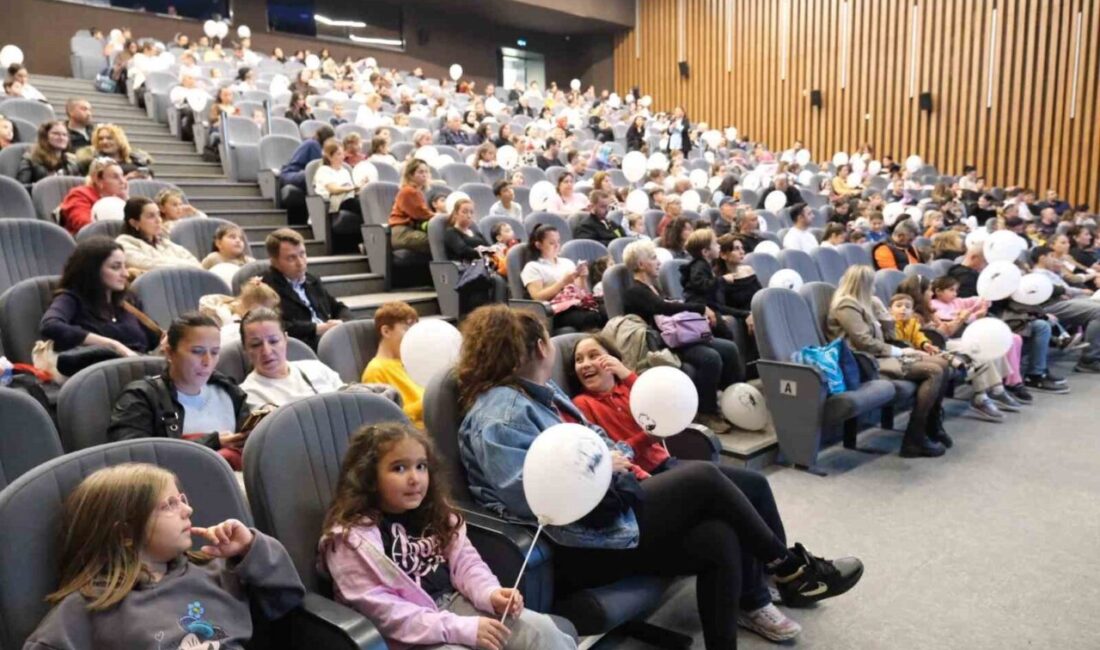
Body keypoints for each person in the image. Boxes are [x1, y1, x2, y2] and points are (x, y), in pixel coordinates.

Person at [457, 306, 862, 650]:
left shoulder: (538, 394)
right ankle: (789, 567)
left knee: (717, 536)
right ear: (539, 348)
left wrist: (606, 460)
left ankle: (770, 593)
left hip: (603, 511)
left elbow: (598, 442)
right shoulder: (501, 415)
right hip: (576, 545)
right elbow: (532, 498)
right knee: (704, 479)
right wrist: (603, 465)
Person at [566, 334, 802, 641]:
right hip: (646, 478)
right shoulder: (581, 405)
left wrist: (628, 375)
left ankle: (772, 573)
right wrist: (646, 443)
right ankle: (755, 601)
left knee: (754, 484)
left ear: (611, 360)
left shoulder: (630, 389)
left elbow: (663, 408)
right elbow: (614, 453)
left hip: (668, 464)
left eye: (593, 355)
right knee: (724, 513)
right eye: (578, 360)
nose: (585, 364)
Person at [320, 422, 577, 650]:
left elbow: (467, 564)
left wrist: (490, 593)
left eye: (421, 467)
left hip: (454, 606)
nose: (415, 479)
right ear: (369, 478)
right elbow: (385, 614)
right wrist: (462, 629)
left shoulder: (438, 515)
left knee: (542, 633)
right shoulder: (350, 541)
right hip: (406, 634)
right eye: (399, 468)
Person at [21, 463, 304, 649]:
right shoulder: (91, 605)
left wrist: (249, 550)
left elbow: (287, 599)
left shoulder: (215, 570)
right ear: (125, 534)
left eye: (182, 499)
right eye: (169, 505)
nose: (187, 510)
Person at [827, 266, 951, 457]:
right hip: (862, 361)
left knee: (942, 364)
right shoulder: (846, 305)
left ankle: (931, 425)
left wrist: (883, 314)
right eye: (872, 284)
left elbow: (889, 335)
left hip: (878, 355)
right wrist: (898, 351)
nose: (875, 288)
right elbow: (863, 342)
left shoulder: (866, 302)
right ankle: (914, 438)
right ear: (863, 284)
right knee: (934, 371)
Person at [622, 239, 742, 432]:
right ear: (641, 264)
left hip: (678, 339)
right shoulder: (635, 292)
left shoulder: (654, 287)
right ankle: (706, 412)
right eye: (653, 258)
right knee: (710, 358)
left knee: (729, 349)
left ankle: (734, 402)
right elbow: (663, 308)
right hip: (662, 345)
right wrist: (700, 308)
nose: (658, 262)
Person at [107, 313, 251, 468]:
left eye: (214, 352)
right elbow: (130, 459)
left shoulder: (229, 390)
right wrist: (212, 442)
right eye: (197, 351)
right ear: (170, 352)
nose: (207, 362)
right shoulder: (141, 397)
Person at [40, 237, 162, 369]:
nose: (126, 274)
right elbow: (50, 325)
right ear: (92, 270)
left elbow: (154, 340)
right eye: (116, 267)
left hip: (139, 370)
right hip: (101, 378)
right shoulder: (70, 299)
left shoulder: (129, 301)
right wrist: (113, 345)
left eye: (124, 266)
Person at [259, 228, 349, 349]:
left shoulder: (312, 279)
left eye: (302, 254)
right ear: (274, 262)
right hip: (302, 346)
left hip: (329, 338)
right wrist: (316, 329)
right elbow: (276, 325)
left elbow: (337, 307)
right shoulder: (266, 288)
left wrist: (342, 321)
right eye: (291, 258)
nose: (300, 262)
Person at [238, 307, 346, 408]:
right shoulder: (248, 395)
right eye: (256, 344)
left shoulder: (316, 368)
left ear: (285, 339)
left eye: (273, 341)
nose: (267, 351)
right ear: (245, 349)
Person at [1028, 245, 1100, 373]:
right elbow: (1057, 290)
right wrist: (1079, 291)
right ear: (1042, 258)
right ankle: (1089, 360)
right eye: (1051, 257)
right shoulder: (1037, 275)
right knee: (1098, 312)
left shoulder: (1051, 272)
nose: (1055, 259)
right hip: (1051, 304)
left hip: (1063, 300)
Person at [521, 225, 605, 332]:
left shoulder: (567, 262)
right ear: (538, 245)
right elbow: (537, 297)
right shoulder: (532, 267)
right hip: (554, 311)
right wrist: (563, 282)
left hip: (575, 304)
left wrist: (583, 277)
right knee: (591, 318)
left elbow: (582, 292)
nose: (557, 246)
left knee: (604, 312)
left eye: (558, 242)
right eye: (551, 243)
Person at [360, 302, 426, 428]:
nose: (413, 337)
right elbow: (385, 420)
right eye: (407, 329)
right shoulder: (375, 370)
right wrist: (427, 404)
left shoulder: (412, 363)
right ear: (386, 331)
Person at [445, 198, 509, 309]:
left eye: (471, 212)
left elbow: (489, 247)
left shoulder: (475, 232)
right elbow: (463, 250)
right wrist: (481, 251)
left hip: (486, 265)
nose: (469, 215)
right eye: (465, 212)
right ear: (455, 214)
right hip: (469, 269)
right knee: (497, 280)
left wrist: (485, 250)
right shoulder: (451, 232)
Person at [116, 196, 202, 277]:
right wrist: (187, 266)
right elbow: (148, 264)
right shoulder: (123, 244)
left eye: (158, 215)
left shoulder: (165, 243)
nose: (158, 220)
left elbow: (195, 263)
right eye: (151, 216)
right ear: (134, 223)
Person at [58, 158, 129, 235]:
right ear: (98, 180)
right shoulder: (79, 195)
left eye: (123, 176)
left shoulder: (119, 199)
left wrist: (126, 201)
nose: (123, 181)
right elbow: (86, 226)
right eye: (115, 177)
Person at [387, 157, 435, 255]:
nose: (424, 175)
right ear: (410, 175)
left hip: (410, 231)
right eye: (420, 172)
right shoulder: (409, 191)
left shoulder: (417, 192)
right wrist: (444, 218)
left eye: (426, 172)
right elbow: (423, 214)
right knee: (439, 240)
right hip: (403, 233)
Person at [313, 139, 365, 229]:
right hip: (333, 204)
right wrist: (352, 188)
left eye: (342, 153)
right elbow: (334, 189)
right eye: (339, 154)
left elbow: (353, 191)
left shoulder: (345, 171)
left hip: (347, 200)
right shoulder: (323, 170)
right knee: (360, 206)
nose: (343, 157)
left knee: (365, 203)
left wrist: (361, 186)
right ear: (329, 156)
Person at [17, 120, 81, 184]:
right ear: (45, 136)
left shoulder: (71, 162)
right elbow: (22, 187)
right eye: (56, 134)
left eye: (64, 135)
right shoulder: (30, 159)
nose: (61, 138)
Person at [78, 123, 152, 178]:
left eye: (109, 138)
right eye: (100, 139)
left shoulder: (136, 160)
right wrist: (127, 179)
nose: (104, 142)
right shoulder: (93, 163)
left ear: (120, 140)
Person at [279, 125, 334, 192]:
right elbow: (319, 168)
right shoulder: (313, 144)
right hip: (290, 174)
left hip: (299, 173)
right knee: (314, 175)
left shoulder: (315, 145)